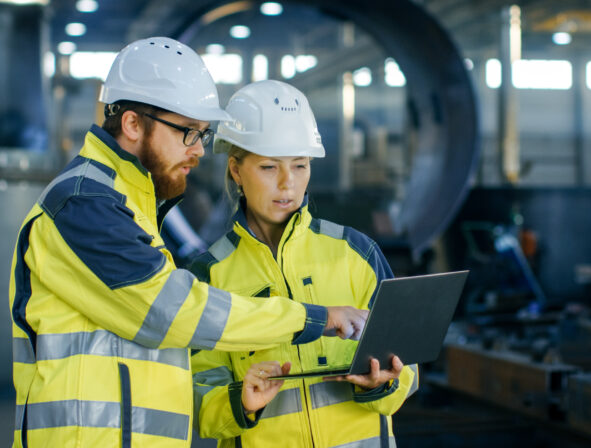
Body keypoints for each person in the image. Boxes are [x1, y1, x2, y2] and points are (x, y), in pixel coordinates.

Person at [8, 38, 368, 448]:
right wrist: (310, 318)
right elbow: (173, 311)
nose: (199, 150)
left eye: (202, 134)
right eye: (188, 132)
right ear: (132, 124)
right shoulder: (84, 204)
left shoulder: (128, 204)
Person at [190, 80, 419, 448]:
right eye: (268, 167)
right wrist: (241, 403)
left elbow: (408, 365)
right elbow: (198, 397)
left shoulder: (356, 253)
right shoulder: (209, 276)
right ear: (235, 170)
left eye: (300, 165)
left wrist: (386, 381)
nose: (288, 184)